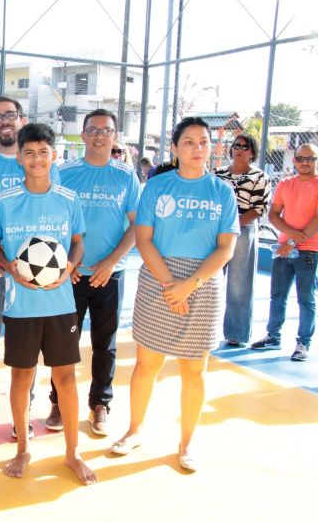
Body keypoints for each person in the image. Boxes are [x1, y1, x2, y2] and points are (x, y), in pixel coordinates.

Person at [111, 117, 239, 471]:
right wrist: (171, 284)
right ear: (175, 147)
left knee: (194, 371)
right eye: (189, 142)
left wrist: (190, 284)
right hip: (159, 279)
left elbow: (225, 247)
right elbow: (144, 238)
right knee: (146, 365)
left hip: (203, 283)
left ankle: (187, 442)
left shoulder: (222, 191)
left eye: (203, 142)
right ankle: (134, 430)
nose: (197, 149)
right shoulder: (158, 186)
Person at [0, 123, 95, 485]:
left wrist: (70, 266)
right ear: (19, 157)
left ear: (54, 155)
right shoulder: (6, 200)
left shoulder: (67, 198)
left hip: (61, 304)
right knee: (22, 376)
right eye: (29, 153)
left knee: (65, 378)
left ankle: (72, 453)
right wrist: (10, 267)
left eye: (43, 152)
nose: (36, 159)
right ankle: (23, 448)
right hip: (21, 307)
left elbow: (78, 243)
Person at [0, 96, 60, 437]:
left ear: (22, 119)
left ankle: (24, 410)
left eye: (11, 115)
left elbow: (49, 212)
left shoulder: (40, 162)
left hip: (30, 277)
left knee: (25, 349)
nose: (5, 121)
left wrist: (29, 264)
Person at [53, 109, 140, 436]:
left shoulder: (126, 176)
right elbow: (54, 220)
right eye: (93, 129)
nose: (100, 135)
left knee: (106, 343)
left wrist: (111, 261)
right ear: (83, 134)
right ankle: (58, 401)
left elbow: (135, 226)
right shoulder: (64, 172)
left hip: (110, 275)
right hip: (70, 274)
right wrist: (66, 262)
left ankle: (99, 403)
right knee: (63, 342)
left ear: (115, 136)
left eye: (107, 130)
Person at [250, 143, 318, 361]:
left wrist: (295, 241)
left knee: (306, 299)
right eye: (301, 158)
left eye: (311, 158)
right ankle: (273, 336)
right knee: (277, 296)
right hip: (283, 250)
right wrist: (289, 240)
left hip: (309, 250)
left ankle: (303, 343)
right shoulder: (285, 184)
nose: (305, 162)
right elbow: (273, 215)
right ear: (294, 160)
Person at [215, 134, 271, 347]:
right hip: (216, 232)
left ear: (252, 152)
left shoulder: (259, 176)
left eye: (245, 147)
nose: (239, 149)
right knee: (209, 280)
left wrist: (233, 225)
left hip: (243, 232)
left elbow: (259, 208)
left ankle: (236, 334)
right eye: (236, 145)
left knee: (240, 285)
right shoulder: (217, 174)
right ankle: (200, 327)